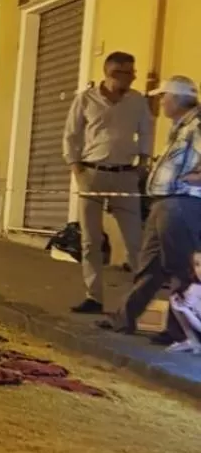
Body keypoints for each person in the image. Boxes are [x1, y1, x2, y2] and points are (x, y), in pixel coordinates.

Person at [101, 76, 201, 344]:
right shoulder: (182, 126)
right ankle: (125, 317)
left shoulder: (197, 125)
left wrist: (189, 180)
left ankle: (179, 331)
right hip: (165, 203)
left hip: (182, 203)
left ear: (178, 98)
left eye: (164, 97)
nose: (161, 102)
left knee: (182, 268)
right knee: (151, 266)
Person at [62, 51, 153, 314]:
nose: (130, 77)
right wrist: (76, 168)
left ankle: (140, 301)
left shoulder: (137, 101)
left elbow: (146, 130)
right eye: (125, 72)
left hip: (125, 174)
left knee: (134, 239)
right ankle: (94, 297)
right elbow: (71, 134)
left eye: (132, 72)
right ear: (110, 73)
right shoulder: (86, 99)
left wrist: (143, 163)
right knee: (91, 239)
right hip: (92, 172)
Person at [167, 250, 201, 354]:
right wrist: (184, 310)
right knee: (176, 300)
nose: (200, 270)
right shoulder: (194, 289)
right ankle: (193, 341)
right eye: (197, 264)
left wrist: (186, 311)